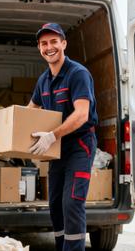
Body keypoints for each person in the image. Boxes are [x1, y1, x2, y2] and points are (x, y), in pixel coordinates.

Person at [26, 22, 98, 251]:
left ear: (64, 44)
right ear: (39, 48)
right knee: (55, 204)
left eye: (54, 41)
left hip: (79, 146)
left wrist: (51, 135)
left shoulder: (78, 74)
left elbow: (82, 114)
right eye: (44, 43)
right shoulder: (43, 80)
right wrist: (12, 133)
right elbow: (30, 111)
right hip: (56, 149)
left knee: (72, 202)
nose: (49, 47)